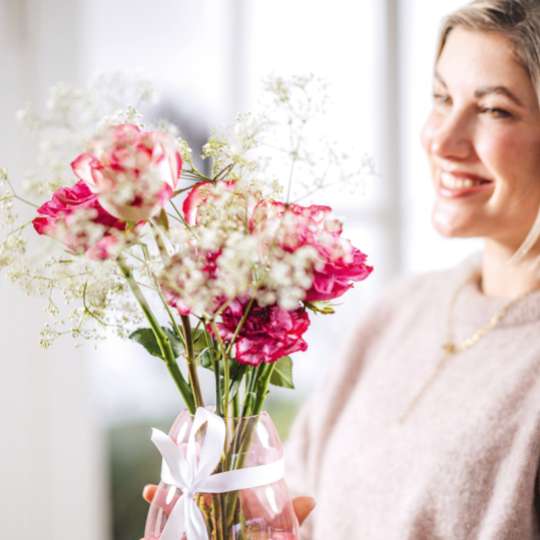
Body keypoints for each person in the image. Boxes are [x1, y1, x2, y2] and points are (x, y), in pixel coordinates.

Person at [144, 0, 540, 538]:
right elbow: (298, 506)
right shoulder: (400, 310)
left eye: (494, 110)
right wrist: (225, 521)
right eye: (442, 98)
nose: (442, 141)